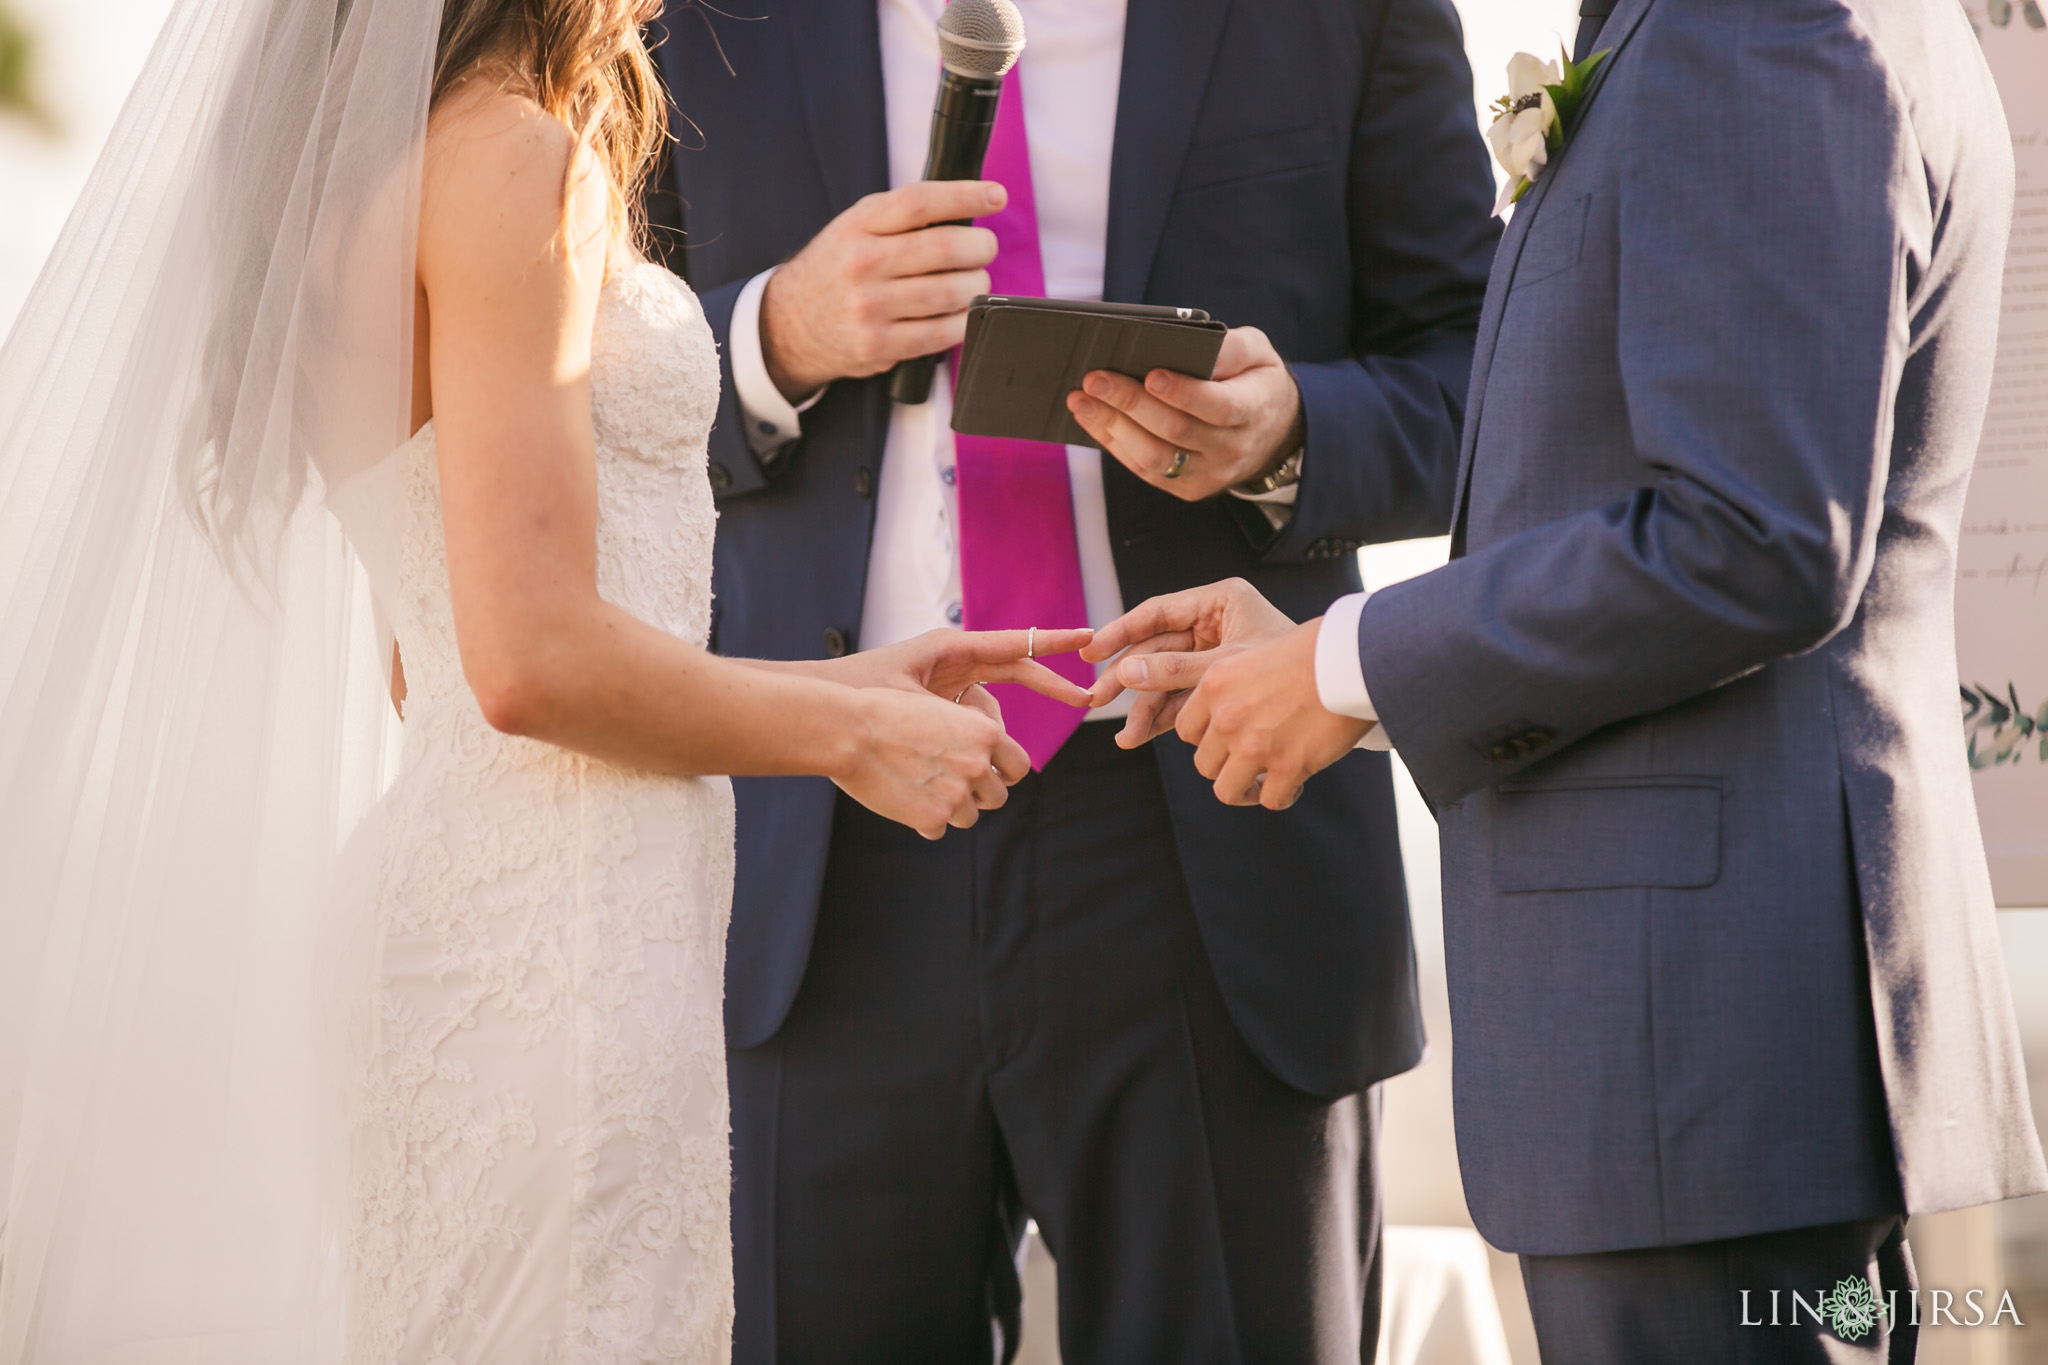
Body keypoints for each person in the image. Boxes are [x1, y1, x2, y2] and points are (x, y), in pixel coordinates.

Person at [0, 0, 1084, 1356]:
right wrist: (844, 730)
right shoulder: (515, 159)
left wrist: (872, 680)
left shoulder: (381, 178)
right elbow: (527, 662)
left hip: (484, 898)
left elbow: (438, 658)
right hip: (562, 945)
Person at [1089, 0, 2048, 1360]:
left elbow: (1755, 537)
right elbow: (1634, 511)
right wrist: (1319, 674)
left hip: (1705, 1073)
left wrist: (1347, 663)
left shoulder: (1760, 26)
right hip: (1697, 1079)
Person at [644, 0, 1498, 1357]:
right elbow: (546, 375)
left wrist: (1293, 432)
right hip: (818, 843)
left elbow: (1491, 372)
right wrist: (772, 339)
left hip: (1216, 823)